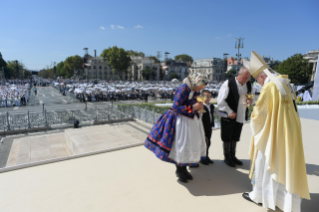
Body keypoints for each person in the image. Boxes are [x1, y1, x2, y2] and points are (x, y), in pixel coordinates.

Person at [242, 51, 310, 212]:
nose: (258, 83)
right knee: (285, 163)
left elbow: (260, 115)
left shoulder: (270, 86)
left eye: (257, 79)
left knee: (265, 161)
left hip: (272, 133)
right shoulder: (285, 83)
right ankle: (285, 203)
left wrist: (252, 110)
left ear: (261, 76)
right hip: (289, 131)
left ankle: (260, 196)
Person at [144, 73, 208, 183]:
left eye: (202, 88)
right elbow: (175, 107)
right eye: (200, 86)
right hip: (181, 121)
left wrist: (198, 106)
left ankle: (184, 168)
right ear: (195, 82)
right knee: (181, 145)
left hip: (190, 120)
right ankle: (179, 170)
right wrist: (193, 107)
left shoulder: (194, 89)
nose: (200, 89)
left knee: (188, 145)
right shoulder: (183, 88)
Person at [217, 67, 252, 167]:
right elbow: (220, 101)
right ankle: (227, 157)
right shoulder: (228, 83)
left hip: (241, 114)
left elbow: (251, 95)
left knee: (235, 136)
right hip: (229, 115)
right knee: (227, 136)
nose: (246, 80)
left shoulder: (248, 84)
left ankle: (233, 155)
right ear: (239, 75)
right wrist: (229, 111)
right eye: (245, 77)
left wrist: (250, 101)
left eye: (248, 78)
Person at [199, 90, 229, 165]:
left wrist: (227, 115)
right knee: (203, 143)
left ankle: (206, 155)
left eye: (209, 96)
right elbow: (199, 119)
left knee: (208, 142)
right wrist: (201, 129)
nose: (208, 98)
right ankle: (202, 157)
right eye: (206, 96)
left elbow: (218, 113)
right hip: (203, 127)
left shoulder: (211, 106)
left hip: (209, 126)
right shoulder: (201, 106)